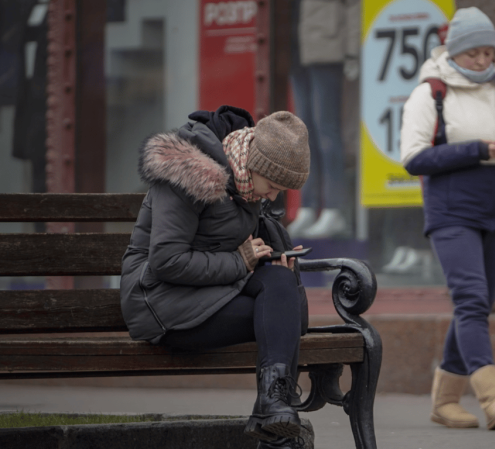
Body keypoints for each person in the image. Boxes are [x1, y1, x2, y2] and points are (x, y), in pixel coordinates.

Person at [120, 106, 311, 449]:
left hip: (213, 291)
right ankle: (275, 432)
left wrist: (271, 256)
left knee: (281, 286)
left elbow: (230, 246)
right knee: (281, 315)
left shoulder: (246, 184)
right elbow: (165, 262)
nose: (272, 197)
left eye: (281, 191)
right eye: (272, 185)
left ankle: (273, 408)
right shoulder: (189, 172)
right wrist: (241, 262)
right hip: (162, 302)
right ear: (255, 164)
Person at [400, 7, 495, 431]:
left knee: (476, 306)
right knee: (472, 299)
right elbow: (413, 158)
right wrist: (478, 150)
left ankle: (444, 402)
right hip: (452, 213)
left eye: (488, 52)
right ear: (454, 52)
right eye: (474, 53)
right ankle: (493, 396)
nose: (483, 61)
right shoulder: (431, 93)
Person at [285, 0, 360, 239]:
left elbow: (353, 6)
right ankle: (309, 205)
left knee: (327, 131)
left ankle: (334, 209)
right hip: (297, 49)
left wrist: (351, 51)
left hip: (327, 50)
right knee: (304, 134)